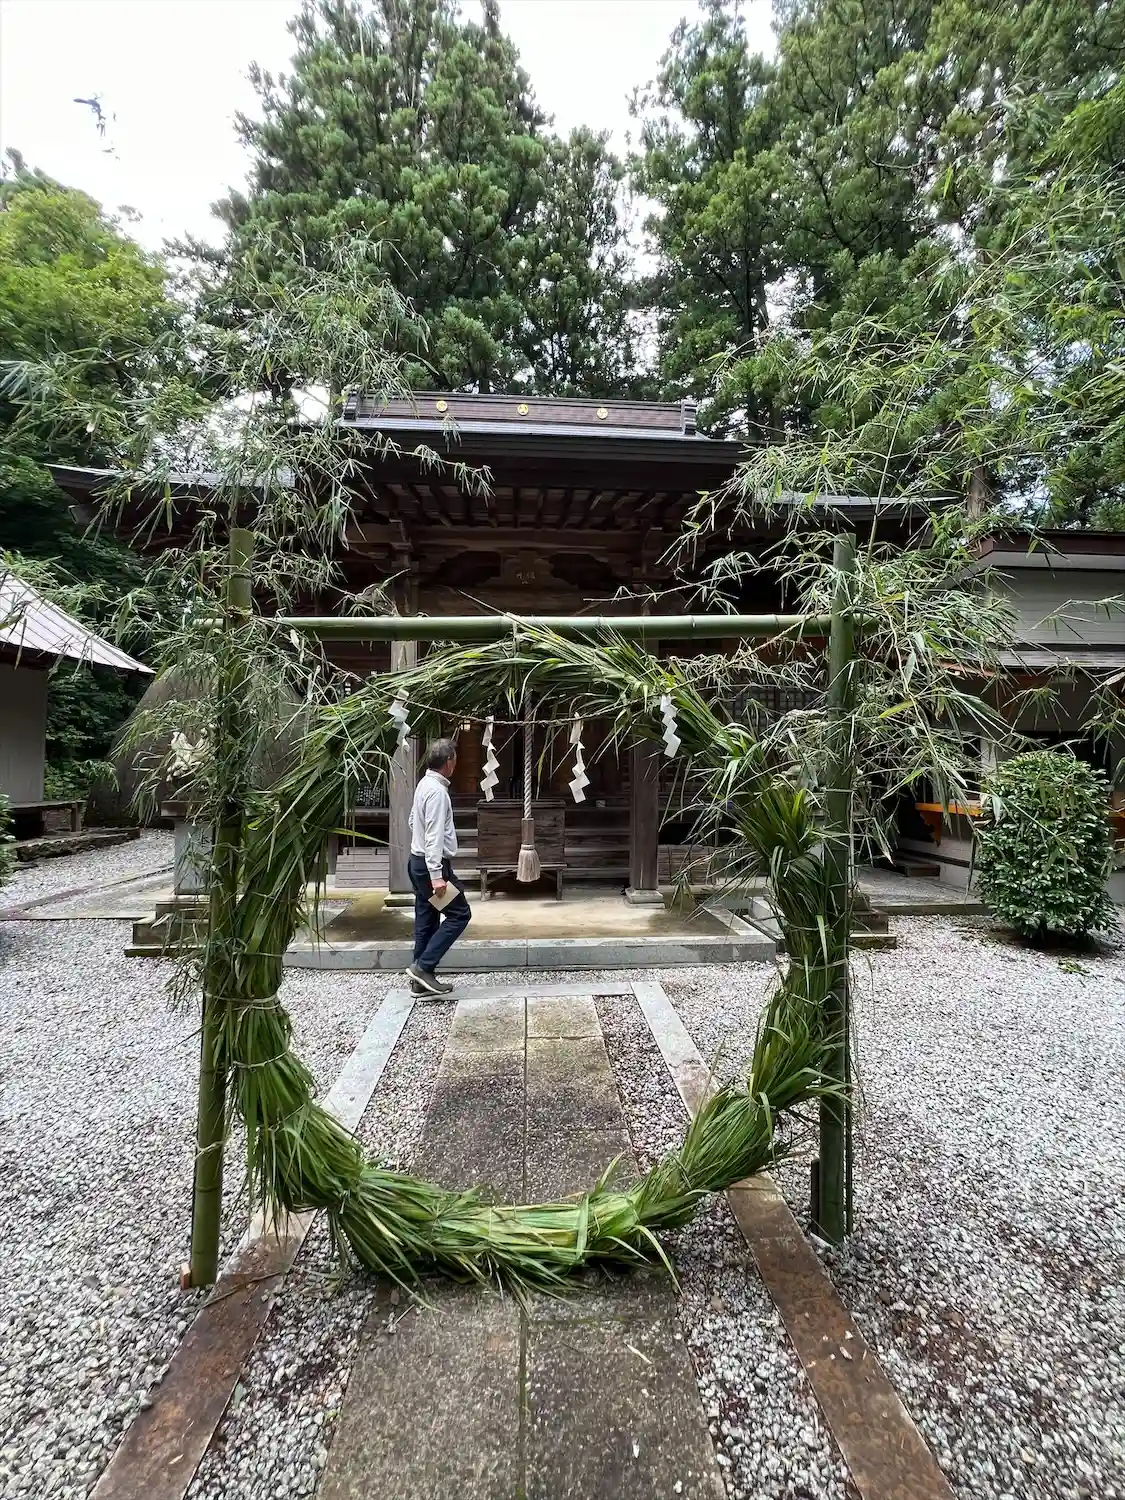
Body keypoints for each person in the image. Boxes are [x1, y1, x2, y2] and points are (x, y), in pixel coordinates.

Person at [405, 737, 472, 996]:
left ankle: (419, 982)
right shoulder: (437, 792)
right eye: (455, 758)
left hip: (417, 862)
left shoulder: (424, 784)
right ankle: (423, 967)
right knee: (459, 914)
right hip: (431, 867)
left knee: (427, 919)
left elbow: (413, 821)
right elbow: (433, 835)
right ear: (449, 761)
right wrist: (436, 875)